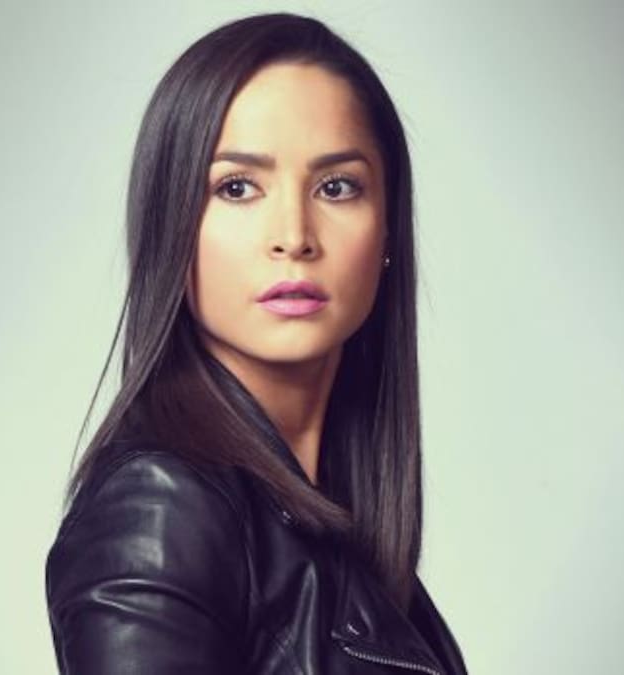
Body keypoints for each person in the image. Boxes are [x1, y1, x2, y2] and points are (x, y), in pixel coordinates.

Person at [45, 12, 468, 674]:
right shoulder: (160, 508)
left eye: (336, 187)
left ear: (387, 230)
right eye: (237, 187)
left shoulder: (338, 531)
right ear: (171, 225)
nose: (294, 235)